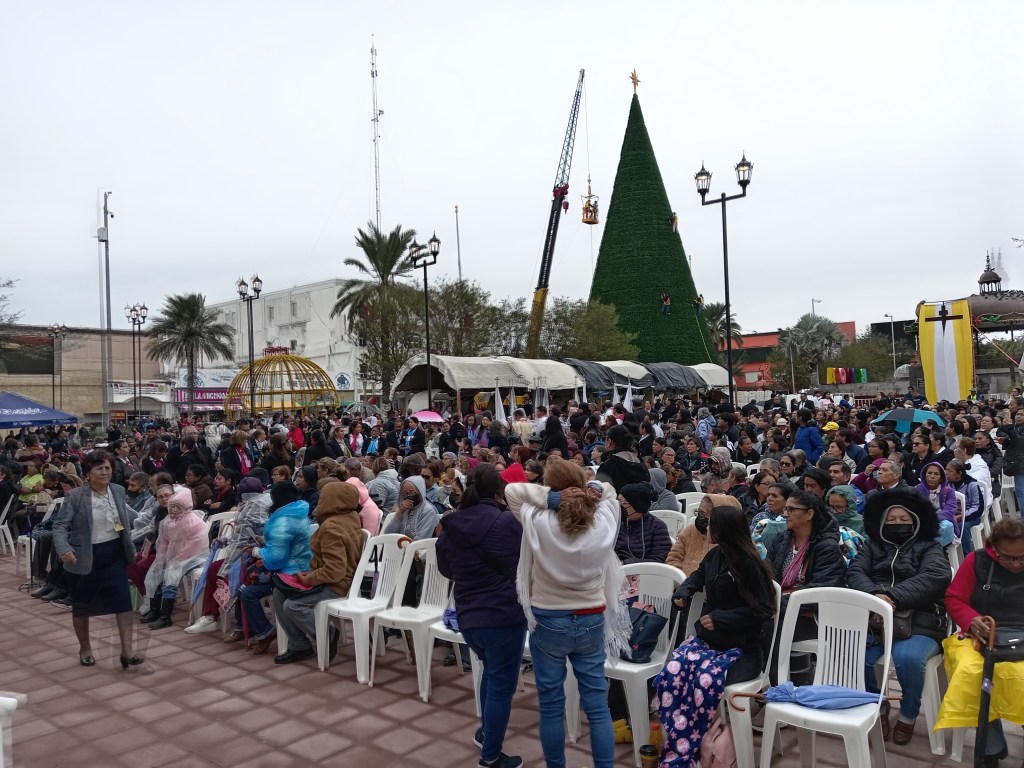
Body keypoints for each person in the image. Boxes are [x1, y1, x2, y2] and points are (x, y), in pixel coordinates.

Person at [504, 458, 623, 768]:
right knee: (597, 705)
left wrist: (552, 499)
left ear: (549, 489)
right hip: (591, 617)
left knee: (552, 705)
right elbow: (609, 489)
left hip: (548, 620)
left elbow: (513, 491)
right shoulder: (605, 518)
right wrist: (593, 487)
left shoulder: (536, 518)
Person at [659, 504, 776, 761]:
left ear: (723, 530)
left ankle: (704, 741)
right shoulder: (715, 556)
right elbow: (697, 577)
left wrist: (722, 619)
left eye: (711, 523)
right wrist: (683, 592)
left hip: (744, 649)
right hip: (712, 642)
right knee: (674, 670)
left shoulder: (748, 564)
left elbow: (765, 610)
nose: (707, 527)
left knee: (703, 680)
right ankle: (684, 737)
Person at [436, 464, 526, 768]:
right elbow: (522, 562)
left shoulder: (450, 523)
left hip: (469, 616)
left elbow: (446, 569)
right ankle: (490, 756)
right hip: (503, 615)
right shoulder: (507, 521)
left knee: (491, 672)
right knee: (501, 685)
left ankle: (487, 732)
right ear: (499, 491)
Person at [845, 488, 950, 744]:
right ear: (881, 522)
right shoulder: (873, 546)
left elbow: (935, 576)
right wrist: (875, 595)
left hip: (920, 619)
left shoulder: (930, 547)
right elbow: (855, 572)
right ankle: (877, 706)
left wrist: (893, 598)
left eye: (904, 520)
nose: (897, 524)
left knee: (909, 658)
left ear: (915, 521)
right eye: (891, 520)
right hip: (874, 619)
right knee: (857, 657)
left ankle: (908, 714)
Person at [937, 518, 1024, 766]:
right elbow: (954, 599)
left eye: (1022, 557)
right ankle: (991, 746)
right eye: (1008, 557)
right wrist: (972, 620)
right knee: (973, 673)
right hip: (981, 633)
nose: (1016, 564)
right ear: (994, 548)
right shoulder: (976, 560)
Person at [51, 450, 144, 668]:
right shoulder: (76, 496)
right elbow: (60, 525)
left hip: (114, 555)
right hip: (83, 557)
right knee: (82, 605)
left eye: (108, 467)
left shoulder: (118, 491)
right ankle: (85, 648)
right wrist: (64, 548)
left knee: (123, 604)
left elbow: (127, 517)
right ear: (88, 473)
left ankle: (127, 652)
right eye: (99, 468)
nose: (105, 472)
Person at [273, 481, 363, 665]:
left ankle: (327, 634)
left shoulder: (331, 526)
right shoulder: (351, 516)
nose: (320, 500)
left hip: (336, 584)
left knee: (292, 605)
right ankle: (299, 645)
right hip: (345, 579)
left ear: (334, 500)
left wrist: (308, 579)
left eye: (323, 497)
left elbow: (335, 570)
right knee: (278, 593)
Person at [765, 489, 845, 681]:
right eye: (785, 509)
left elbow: (822, 589)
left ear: (810, 514)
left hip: (813, 615)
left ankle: (779, 683)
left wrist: (779, 604)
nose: (786, 514)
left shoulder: (826, 547)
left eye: (792, 509)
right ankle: (761, 677)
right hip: (780, 605)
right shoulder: (783, 539)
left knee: (768, 625)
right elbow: (768, 573)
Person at [232, 482, 311, 654]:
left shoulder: (281, 522)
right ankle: (244, 627)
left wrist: (256, 551)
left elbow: (276, 559)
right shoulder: (299, 513)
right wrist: (266, 543)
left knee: (247, 592)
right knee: (244, 583)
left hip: (288, 575)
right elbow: (285, 546)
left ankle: (264, 632)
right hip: (303, 566)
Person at [143, 489, 209, 630]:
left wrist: (177, 558)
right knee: (157, 570)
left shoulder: (194, 521)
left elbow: (197, 543)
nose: (172, 509)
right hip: (173, 556)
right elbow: (163, 542)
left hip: (194, 557)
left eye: (176, 507)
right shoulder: (167, 522)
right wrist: (161, 559)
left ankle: (165, 616)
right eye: (171, 506)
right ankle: (155, 610)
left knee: (172, 573)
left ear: (185, 506)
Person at [666, 494, 740, 577]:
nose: (700, 517)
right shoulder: (690, 531)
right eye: (699, 512)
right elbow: (673, 558)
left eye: (703, 514)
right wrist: (681, 579)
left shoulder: (736, 540)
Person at [614, 482, 671, 565]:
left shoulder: (657, 527)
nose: (618, 506)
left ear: (637, 506)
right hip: (616, 571)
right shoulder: (617, 524)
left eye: (622, 503)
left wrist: (626, 563)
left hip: (646, 574)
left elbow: (659, 559)